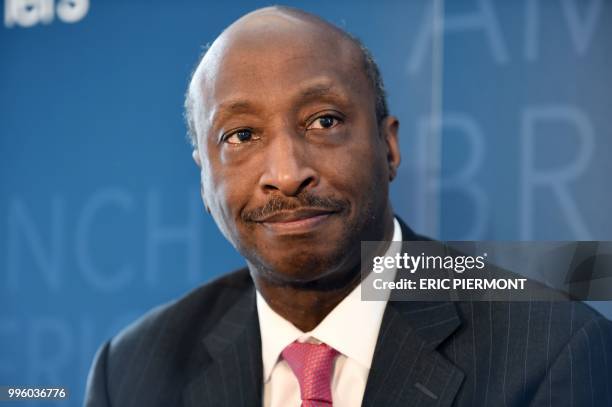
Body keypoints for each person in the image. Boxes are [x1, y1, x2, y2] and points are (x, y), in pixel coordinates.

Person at [84, 6, 612, 407]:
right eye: (241, 134)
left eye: (324, 122)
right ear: (204, 174)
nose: (287, 174)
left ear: (389, 148)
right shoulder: (131, 373)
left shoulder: (550, 350)